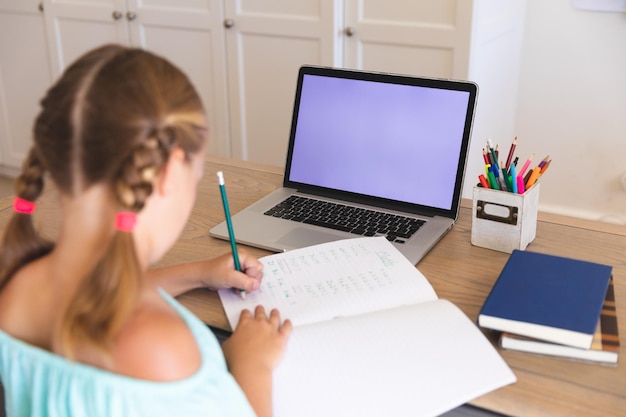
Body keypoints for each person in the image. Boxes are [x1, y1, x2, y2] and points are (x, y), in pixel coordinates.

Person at [0, 44, 292, 417]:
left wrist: (197, 273)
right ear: (170, 172)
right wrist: (251, 366)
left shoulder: (17, 278)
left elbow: (103, 290)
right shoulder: (160, 350)